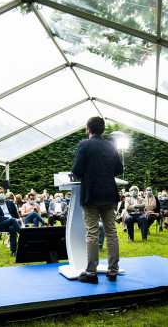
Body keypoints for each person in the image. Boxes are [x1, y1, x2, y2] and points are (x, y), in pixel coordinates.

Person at [71, 116, 123, 283]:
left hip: (91, 194)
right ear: (103, 129)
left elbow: (76, 170)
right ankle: (113, 271)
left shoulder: (84, 144)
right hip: (109, 194)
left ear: (88, 129)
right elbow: (119, 169)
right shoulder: (112, 145)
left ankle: (91, 273)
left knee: (92, 232)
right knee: (111, 232)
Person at [0, 186, 22, 257]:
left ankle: (13, 251)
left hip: (12, 224)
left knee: (12, 228)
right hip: (1, 225)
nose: (1, 194)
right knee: (12, 220)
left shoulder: (10, 203)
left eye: (2, 192)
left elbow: (16, 215)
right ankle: (24, 236)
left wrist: (18, 220)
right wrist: (12, 219)